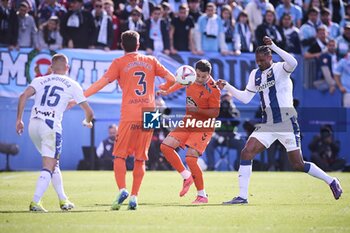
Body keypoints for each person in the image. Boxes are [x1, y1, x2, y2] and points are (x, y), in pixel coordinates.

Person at [217, 36, 343, 205]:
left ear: (270, 58)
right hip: (267, 123)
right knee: (247, 152)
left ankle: (331, 181)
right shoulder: (255, 74)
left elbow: (294, 63)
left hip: (286, 122)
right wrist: (227, 87)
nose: (259, 63)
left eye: (262, 60)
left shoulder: (281, 69)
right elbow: (246, 98)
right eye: (257, 61)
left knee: (298, 164)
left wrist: (274, 46)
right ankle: (242, 196)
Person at [82, 30, 175, 210]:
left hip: (130, 112)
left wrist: (80, 96)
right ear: (139, 45)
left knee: (119, 155)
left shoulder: (119, 62)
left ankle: (122, 189)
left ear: (122, 45)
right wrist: (164, 87)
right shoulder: (151, 60)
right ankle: (134, 196)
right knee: (141, 158)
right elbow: (171, 79)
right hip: (150, 113)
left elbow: (101, 83)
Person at [16, 54, 94, 212]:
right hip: (50, 127)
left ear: (51, 67)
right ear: (67, 68)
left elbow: (23, 96)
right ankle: (35, 201)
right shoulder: (72, 84)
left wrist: (19, 119)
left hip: (33, 124)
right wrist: (87, 121)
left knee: (53, 163)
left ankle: (63, 200)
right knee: (49, 165)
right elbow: (89, 111)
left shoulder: (40, 80)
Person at [158, 60, 221, 204]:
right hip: (188, 121)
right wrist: (167, 91)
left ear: (209, 75)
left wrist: (197, 110)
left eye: (203, 77)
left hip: (204, 125)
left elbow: (215, 113)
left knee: (191, 158)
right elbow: (181, 82)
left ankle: (202, 196)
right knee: (165, 146)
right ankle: (186, 176)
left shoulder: (214, 89)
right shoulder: (191, 77)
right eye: (198, 75)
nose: (199, 79)